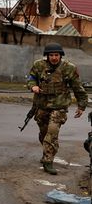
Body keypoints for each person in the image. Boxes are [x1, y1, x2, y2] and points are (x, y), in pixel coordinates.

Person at [27, 43, 88, 175]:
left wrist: (81, 105)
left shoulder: (69, 68)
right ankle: (46, 152)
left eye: (56, 55)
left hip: (59, 106)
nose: (54, 58)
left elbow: (78, 87)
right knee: (44, 134)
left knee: (52, 132)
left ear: (60, 55)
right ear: (47, 56)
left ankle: (48, 161)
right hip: (41, 105)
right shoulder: (39, 65)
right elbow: (31, 78)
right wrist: (33, 87)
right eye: (51, 55)